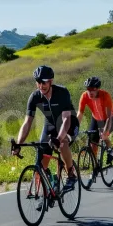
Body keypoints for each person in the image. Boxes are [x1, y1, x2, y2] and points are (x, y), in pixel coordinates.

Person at [12, 65, 80, 195]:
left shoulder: (62, 92)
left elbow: (66, 120)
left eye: (44, 82)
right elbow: (27, 122)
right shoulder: (35, 97)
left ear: (51, 81)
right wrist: (18, 144)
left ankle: (71, 175)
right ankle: (47, 193)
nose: (41, 85)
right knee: (41, 162)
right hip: (50, 126)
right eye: (38, 82)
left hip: (69, 124)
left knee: (63, 142)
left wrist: (59, 139)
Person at [76, 76, 113, 186]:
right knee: (92, 143)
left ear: (97, 89)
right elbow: (80, 114)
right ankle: (94, 168)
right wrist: (74, 128)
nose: (89, 91)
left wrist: (105, 131)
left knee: (103, 136)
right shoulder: (84, 96)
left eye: (92, 89)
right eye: (87, 89)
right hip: (96, 119)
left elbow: (109, 117)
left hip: (110, 118)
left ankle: (110, 149)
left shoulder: (105, 95)